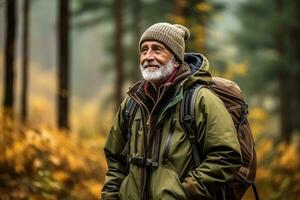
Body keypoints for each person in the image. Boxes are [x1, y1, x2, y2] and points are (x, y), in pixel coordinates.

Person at [101, 22, 242, 200]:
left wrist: (183, 194)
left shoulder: (201, 100)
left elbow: (226, 156)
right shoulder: (131, 103)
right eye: (144, 50)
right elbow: (115, 162)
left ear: (176, 60)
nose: (148, 56)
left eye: (157, 50)